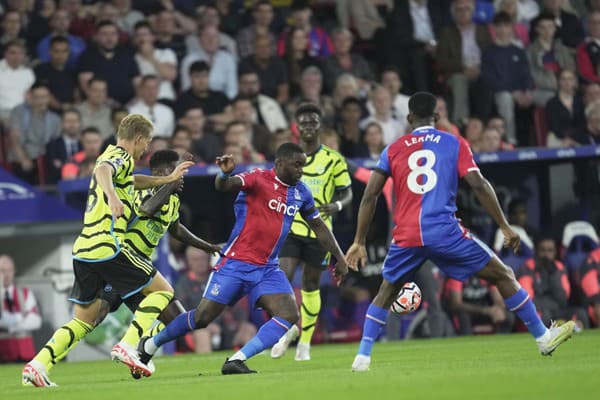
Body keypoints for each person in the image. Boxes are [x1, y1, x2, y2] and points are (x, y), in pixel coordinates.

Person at [345, 91, 575, 372]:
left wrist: (358, 241)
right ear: (438, 117)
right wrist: (505, 226)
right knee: (503, 275)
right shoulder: (453, 142)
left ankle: (362, 358)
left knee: (386, 291)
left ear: (409, 119)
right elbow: (478, 184)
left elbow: (370, 196)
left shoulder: (392, 149)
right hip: (444, 232)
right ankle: (542, 337)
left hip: (406, 236)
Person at [137, 143, 352, 374]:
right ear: (280, 163)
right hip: (235, 264)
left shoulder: (301, 192)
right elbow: (224, 186)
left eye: (304, 165)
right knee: (201, 318)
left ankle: (236, 360)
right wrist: (225, 173)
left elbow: (319, 226)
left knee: (289, 314)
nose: (301, 170)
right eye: (297, 164)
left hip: (268, 268)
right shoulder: (257, 178)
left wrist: (340, 257)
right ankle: (149, 344)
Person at [21, 114, 193, 387]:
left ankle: (38, 365)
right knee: (163, 292)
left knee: (84, 320)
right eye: (146, 142)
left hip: (84, 249)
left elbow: (132, 180)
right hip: (110, 245)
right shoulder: (119, 156)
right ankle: (128, 345)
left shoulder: (120, 162)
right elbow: (104, 171)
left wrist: (167, 179)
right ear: (137, 138)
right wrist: (113, 198)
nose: (146, 149)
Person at [270, 103, 352, 361]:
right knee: (282, 279)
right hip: (291, 228)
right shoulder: (286, 158)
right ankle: (288, 328)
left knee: (311, 285)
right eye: (303, 122)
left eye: (312, 122)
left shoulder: (334, 159)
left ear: (320, 125)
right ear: (296, 126)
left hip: (320, 231)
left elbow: (347, 191)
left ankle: (304, 343)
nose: (308, 126)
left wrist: (337, 204)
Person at [0, 255, 42, 363]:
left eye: (9, 270)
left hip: (25, 352)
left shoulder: (25, 294)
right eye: (2, 271)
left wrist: (12, 325)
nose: (6, 275)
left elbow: (35, 321)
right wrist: (20, 318)